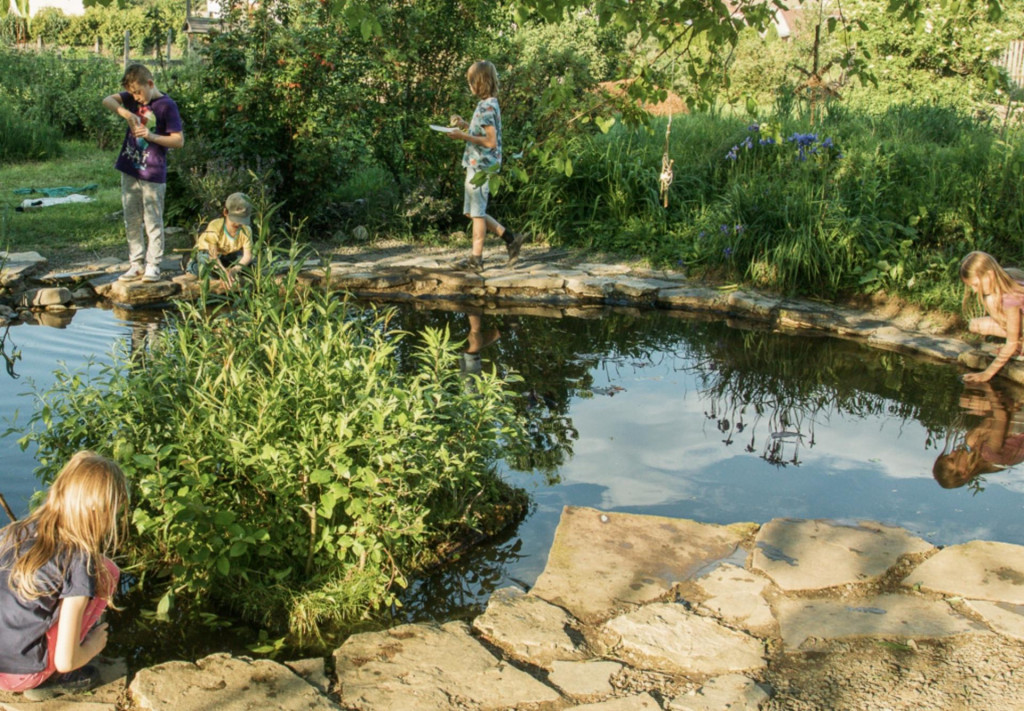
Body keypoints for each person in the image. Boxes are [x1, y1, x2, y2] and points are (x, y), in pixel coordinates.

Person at [0, 451, 128, 700]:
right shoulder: (79, 561)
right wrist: (91, 648)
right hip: (17, 675)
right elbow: (65, 660)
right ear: (98, 509)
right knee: (108, 573)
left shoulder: (15, 532)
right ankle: (50, 679)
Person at [102, 63, 184, 284]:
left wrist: (151, 136)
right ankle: (136, 264)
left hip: (153, 173)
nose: (135, 97)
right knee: (132, 218)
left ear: (150, 83)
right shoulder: (131, 100)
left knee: (153, 220)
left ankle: (153, 265)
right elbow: (107, 101)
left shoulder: (167, 106)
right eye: (131, 94)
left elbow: (178, 141)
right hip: (129, 168)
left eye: (138, 92)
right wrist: (126, 113)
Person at [446, 60, 525, 272]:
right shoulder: (485, 105)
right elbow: (480, 131)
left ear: (479, 83)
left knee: (477, 213)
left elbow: (490, 141)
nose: (469, 86)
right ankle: (511, 239)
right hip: (475, 165)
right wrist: (464, 125)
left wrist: (462, 136)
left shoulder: (488, 106)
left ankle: (476, 259)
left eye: (471, 82)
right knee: (472, 212)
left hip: (482, 167)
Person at [933, 381, 1024, 488]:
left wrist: (981, 409)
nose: (953, 452)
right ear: (964, 473)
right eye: (952, 459)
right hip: (1019, 421)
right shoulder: (988, 455)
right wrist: (987, 389)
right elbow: (1002, 417)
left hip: (1016, 417)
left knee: (968, 402)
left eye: (949, 455)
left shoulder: (977, 449)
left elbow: (995, 420)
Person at [958, 251, 1024, 383]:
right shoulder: (1005, 275)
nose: (974, 291)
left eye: (975, 285)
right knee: (975, 324)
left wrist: (986, 374)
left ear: (989, 275)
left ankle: (1020, 345)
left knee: (993, 302)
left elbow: (1010, 343)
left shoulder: (1010, 297)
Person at [186, 193, 254, 287]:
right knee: (204, 262)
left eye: (242, 221)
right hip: (209, 255)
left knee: (246, 264)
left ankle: (227, 274)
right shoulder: (215, 226)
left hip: (228, 255)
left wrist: (234, 270)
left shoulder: (246, 230)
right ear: (225, 212)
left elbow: (247, 256)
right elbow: (213, 256)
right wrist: (223, 273)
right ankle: (192, 266)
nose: (238, 224)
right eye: (235, 220)